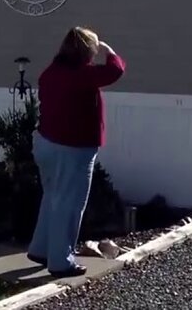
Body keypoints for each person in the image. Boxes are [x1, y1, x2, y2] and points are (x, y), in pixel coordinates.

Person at [26, 27, 125, 278]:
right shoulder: (82, 74)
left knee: (52, 198)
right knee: (69, 204)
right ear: (86, 50)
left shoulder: (51, 73)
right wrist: (110, 52)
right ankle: (61, 261)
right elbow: (115, 71)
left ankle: (41, 249)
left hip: (46, 143)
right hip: (73, 149)